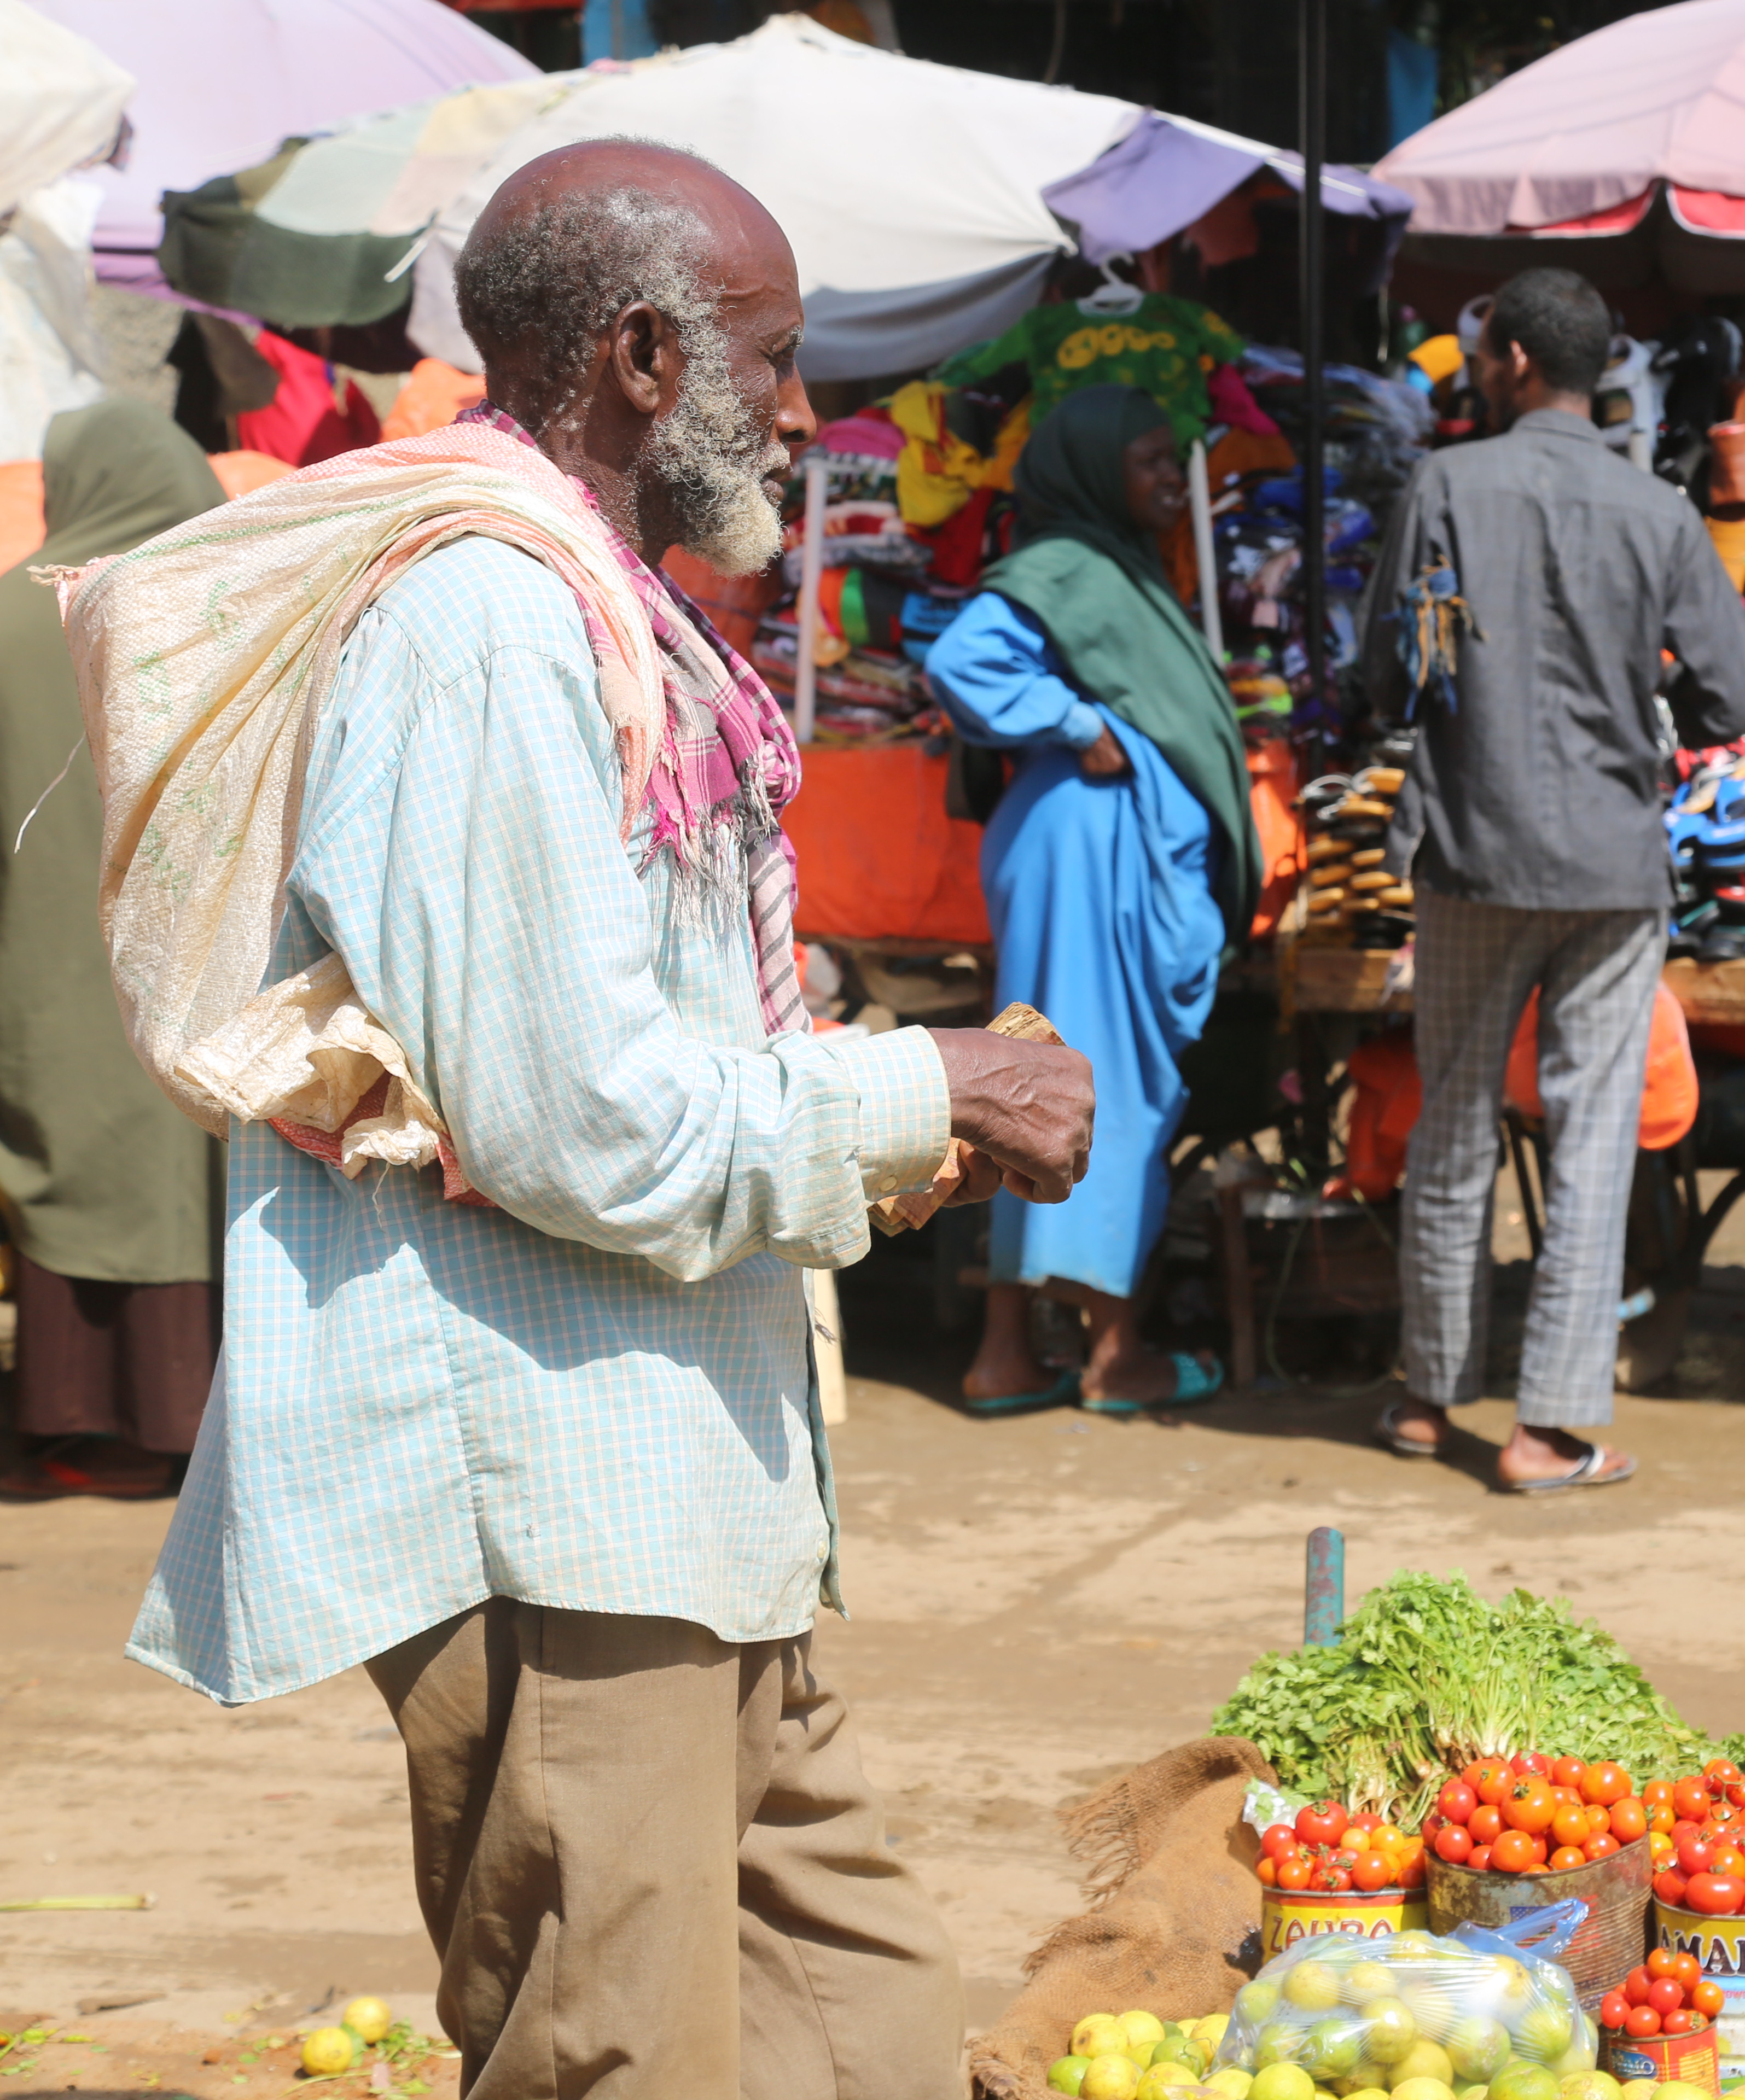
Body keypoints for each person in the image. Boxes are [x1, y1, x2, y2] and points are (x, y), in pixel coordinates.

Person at [75, 142, 1095, 2099]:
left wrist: (881, 1112)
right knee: (620, 2055)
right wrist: (913, 1083)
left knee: (863, 2030)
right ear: (641, 354)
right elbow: (570, 1120)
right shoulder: (482, 618)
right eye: (775, 360)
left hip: (685, 1485)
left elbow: (623, 1036)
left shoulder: (602, 607)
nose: (802, 413)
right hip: (550, 1503)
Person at [1362, 268, 1745, 1490]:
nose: (1478, 369)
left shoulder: (1443, 483)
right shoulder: (1657, 509)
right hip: (1607, 864)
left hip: (1471, 853)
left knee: (1453, 1126)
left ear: (1519, 364)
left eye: (1485, 352)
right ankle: (1547, 1430)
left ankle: (1429, 1397)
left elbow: (1384, 676)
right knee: (1592, 1139)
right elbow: (1734, 694)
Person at [935, 383, 1260, 1413]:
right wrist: (1078, 725)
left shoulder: (1110, 566)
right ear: (1092, 468)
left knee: (1043, 1074)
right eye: (1154, 459)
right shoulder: (1063, 567)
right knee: (1089, 1082)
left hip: (1084, 847)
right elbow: (962, 659)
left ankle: (1006, 1354)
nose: (1175, 477)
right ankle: (1116, 1355)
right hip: (1087, 850)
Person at [0, 401, 225, 1501]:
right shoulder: (242, 613)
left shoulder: (8, 623)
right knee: (194, 1151)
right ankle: (205, 1411)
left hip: (50, 973)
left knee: (82, 1149)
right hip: (214, 974)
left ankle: (80, 1413)